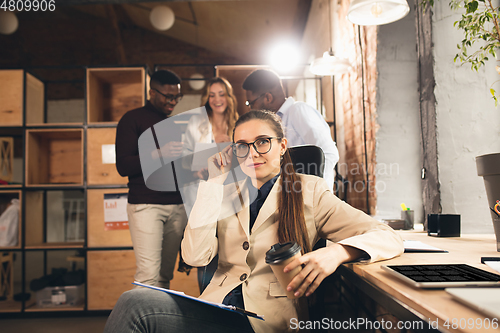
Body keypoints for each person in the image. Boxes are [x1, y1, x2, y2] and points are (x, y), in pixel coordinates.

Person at [105, 110, 404, 333]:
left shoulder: (310, 190)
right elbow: (195, 257)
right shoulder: (223, 190)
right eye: (242, 145)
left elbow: (386, 235)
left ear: (283, 146)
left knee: (136, 307)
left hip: (264, 318)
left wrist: (338, 252)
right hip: (216, 307)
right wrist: (211, 183)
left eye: (263, 142)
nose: (252, 153)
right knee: (135, 301)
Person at [115, 69, 188, 289]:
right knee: (148, 276)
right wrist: (159, 153)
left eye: (176, 96)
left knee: (165, 276)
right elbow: (123, 165)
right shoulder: (131, 119)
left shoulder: (173, 124)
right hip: (146, 206)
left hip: (177, 207)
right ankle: (142, 323)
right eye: (168, 96)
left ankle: (160, 323)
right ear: (152, 93)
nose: (173, 102)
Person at [182, 77, 239, 292]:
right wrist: (195, 167)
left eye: (221, 94)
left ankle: (227, 295)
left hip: (232, 194)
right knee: (202, 239)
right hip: (202, 191)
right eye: (212, 94)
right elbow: (185, 158)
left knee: (228, 243)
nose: (217, 99)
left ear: (229, 96)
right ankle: (205, 296)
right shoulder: (196, 124)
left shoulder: (238, 122)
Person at [242, 69, 339, 191]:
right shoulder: (275, 124)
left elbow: (328, 152)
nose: (251, 109)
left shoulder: (297, 111)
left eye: (251, 103)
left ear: (268, 97)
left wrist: (313, 193)